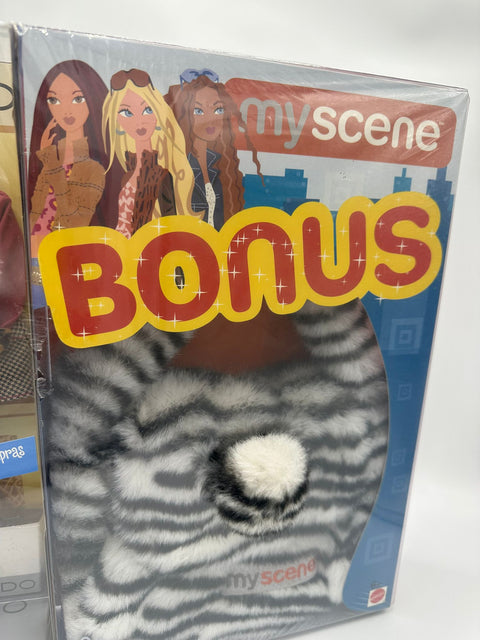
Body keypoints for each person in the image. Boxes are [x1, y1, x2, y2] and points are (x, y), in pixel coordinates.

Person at [102, 68, 200, 238]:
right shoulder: (122, 172)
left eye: (148, 110)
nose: (139, 121)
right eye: (127, 112)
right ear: (116, 119)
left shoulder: (163, 175)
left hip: (149, 249)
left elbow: (169, 230)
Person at [165, 69, 262, 230]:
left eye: (218, 110)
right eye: (198, 110)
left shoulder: (223, 166)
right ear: (184, 115)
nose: (210, 119)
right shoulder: (175, 167)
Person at [28, 60, 108, 255]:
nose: (66, 110)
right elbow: (36, 211)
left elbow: (75, 221)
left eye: (78, 98)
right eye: (54, 100)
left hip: (67, 257)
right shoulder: (50, 157)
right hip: (35, 255)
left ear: (93, 99)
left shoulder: (94, 167)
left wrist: (51, 165)